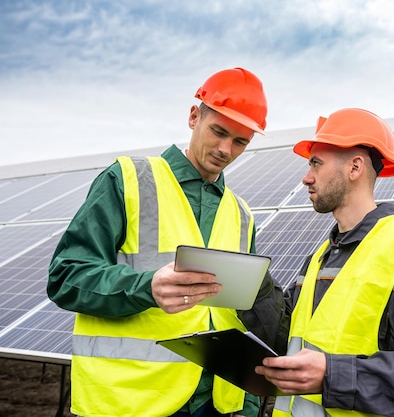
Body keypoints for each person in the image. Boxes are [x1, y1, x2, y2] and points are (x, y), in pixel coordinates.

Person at [48, 67, 272, 417]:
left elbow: (239, 315)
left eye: (240, 141)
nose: (225, 150)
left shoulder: (242, 214)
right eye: (218, 132)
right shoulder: (127, 179)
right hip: (131, 401)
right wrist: (145, 287)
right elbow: (65, 278)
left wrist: (245, 403)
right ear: (194, 116)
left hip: (217, 405)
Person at [250, 108, 394, 416]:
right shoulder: (322, 254)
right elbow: (289, 334)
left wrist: (331, 375)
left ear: (354, 168)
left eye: (316, 163)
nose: (306, 177)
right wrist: (247, 287)